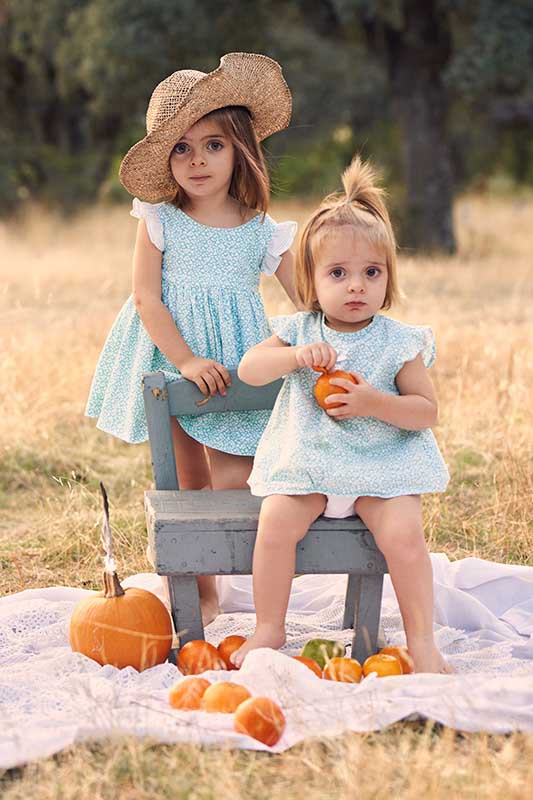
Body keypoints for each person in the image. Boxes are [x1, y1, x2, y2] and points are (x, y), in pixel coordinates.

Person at [85, 53, 298, 625]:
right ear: (166, 160)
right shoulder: (160, 219)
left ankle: (248, 584)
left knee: (236, 479)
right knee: (186, 482)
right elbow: (146, 299)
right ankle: (199, 593)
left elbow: (306, 300)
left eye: (213, 144)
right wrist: (183, 359)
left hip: (238, 365)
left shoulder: (259, 229)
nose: (197, 160)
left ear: (240, 149)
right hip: (174, 357)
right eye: (181, 147)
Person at [232, 155, 452, 673]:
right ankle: (269, 626)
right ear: (312, 278)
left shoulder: (400, 342)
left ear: (387, 278)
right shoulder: (302, 330)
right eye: (339, 273)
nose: (356, 286)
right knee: (275, 522)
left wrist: (376, 402)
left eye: (371, 273)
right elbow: (249, 369)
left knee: (404, 536)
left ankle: (422, 642)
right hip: (312, 465)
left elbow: (426, 412)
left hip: (380, 470)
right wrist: (293, 357)